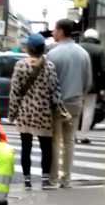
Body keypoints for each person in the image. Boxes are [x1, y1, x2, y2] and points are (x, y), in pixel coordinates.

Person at [8, 32, 71, 190]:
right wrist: (62, 111)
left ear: (28, 48)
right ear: (43, 49)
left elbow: (15, 92)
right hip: (43, 113)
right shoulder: (49, 66)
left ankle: (27, 180)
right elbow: (55, 92)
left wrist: (12, 114)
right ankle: (45, 179)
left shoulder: (20, 65)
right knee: (46, 147)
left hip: (25, 113)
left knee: (26, 147)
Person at [48, 18, 92, 187]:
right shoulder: (83, 54)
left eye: (54, 30)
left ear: (61, 31)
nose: (53, 33)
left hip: (57, 104)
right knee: (68, 141)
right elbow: (88, 82)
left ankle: (53, 177)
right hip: (75, 102)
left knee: (55, 141)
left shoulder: (53, 54)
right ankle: (66, 178)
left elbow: (48, 83)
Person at [79, 27, 105, 141]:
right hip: (92, 86)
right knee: (88, 110)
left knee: (75, 110)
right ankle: (83, 135)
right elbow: (104, 70)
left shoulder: (78, 48)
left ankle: (72, 134)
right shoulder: (99, 50)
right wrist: (103, 87)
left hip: (77, 84)